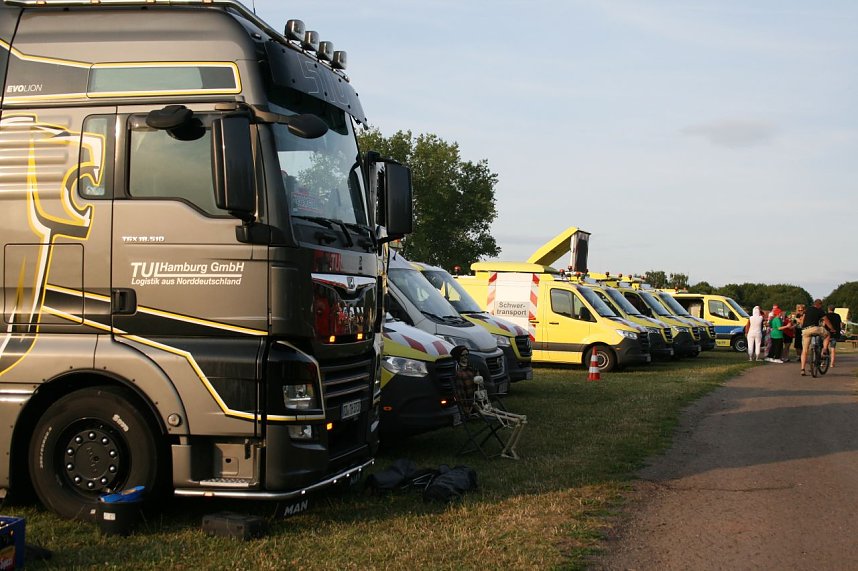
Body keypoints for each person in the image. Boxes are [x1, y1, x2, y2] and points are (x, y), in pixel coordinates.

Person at [451, 345, 526, 460]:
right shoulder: (459, 375)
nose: (466, 357)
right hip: (475, 407)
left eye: (467, 354)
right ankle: (507, 450)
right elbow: (461, 397)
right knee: (516, 421)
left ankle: (510, 449)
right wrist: (468, 411)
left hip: (485, 403)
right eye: (463, 355)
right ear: (458, 357)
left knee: (522, 419)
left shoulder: (473, 370)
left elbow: (481, 388)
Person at [799, 299, 835, 376]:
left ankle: (802, 369)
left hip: (805, 330)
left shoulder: (808, 309)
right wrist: (832, 328)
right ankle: (824, 350)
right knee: (827, 334)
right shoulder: (820, 310)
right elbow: (826, 320)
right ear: (820, 305)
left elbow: (802, 321)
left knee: (804, 350)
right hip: (814, 328)